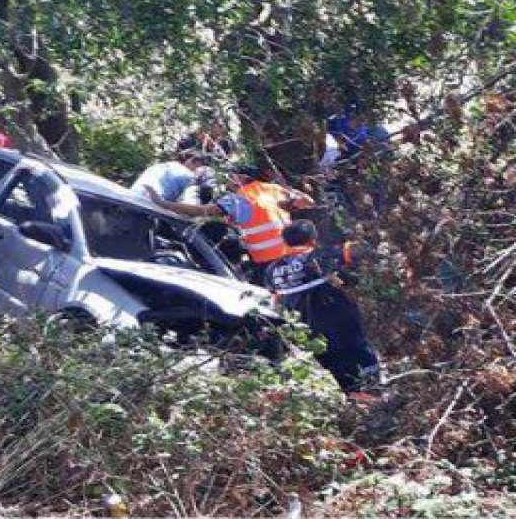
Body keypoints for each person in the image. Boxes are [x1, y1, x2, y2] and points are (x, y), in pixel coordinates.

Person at [265, 220, 381, 400]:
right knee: (365, 362)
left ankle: (358, 403)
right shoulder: (321, 256)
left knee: (341, 374)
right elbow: (359, 250)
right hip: (342, 323)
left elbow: (277, 303)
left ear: (286, 242)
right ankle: (376, 400)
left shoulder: (272, 270)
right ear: (313, 239)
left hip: (311, 334)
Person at [150, 163, 315, 283]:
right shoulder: (273, 189)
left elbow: (200, 211)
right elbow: (306, 201)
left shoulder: (241, 199)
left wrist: (163, 203)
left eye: (230, 178)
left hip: (269, 264)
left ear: (240, 178)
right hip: (297, 255)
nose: (228, 183)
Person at [132, 144, 212, 206]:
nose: (200, 168)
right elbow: (189, 205)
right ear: (192, 160)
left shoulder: (162, 166)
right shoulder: (188, 176)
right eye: (201, 165)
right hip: (148, 207)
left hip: (131, 199)